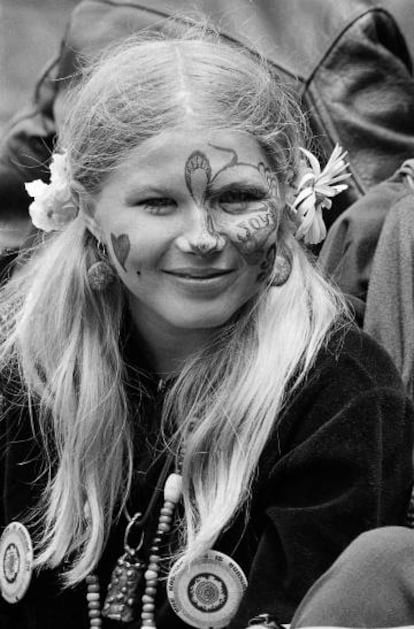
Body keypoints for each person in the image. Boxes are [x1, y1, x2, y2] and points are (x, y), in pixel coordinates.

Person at [0, 25, 412, 629]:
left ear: (289, 198)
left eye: (237, 197)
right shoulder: (29, 363)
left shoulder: (343, 399)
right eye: (157, 204)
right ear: (87, 208)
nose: (202, 238)